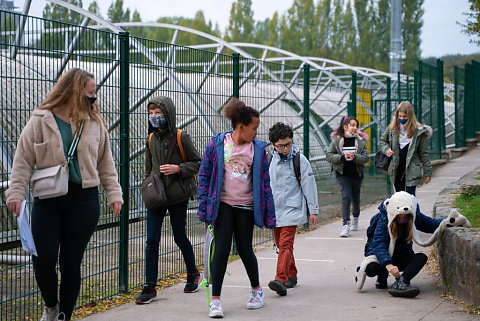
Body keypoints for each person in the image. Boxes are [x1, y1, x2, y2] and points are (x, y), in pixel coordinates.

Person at [5, 68, 123, 321]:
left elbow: (106, 163)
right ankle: (51, 306)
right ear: (73, 91)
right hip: (47, 200)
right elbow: (23, 159)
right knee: (43, 258)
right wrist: (16, 192)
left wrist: (114, 194)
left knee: (71, 263)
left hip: (84, 200)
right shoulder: (40, 120)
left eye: (94, 93)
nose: (93, 98)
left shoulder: (95, 123)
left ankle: (64, 316)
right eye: (89, 93)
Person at [197, 97, 275, 318]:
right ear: (241, 126)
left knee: (244, 249)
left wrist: (268, 213)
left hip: (246, 207)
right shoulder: (217, 145)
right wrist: (204, 208)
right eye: (254, 128)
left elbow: (264, 183)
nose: (256, 133)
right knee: (220, 249)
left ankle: (256, 290)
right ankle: (216, 301)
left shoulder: (258, 150)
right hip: (222, 206)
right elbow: (204, 176)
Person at [135, 96, 202, 304]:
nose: (154, 117)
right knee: (151, 240)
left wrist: (179, 169)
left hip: (177, 196)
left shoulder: (181, 137)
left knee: (179, 236)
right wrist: (147, 186)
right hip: (156, 197)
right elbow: (148, 168)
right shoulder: (150, 139)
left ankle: (192, 273)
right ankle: (150, 286)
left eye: (158, 113)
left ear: (168, 114)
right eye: (151, 113)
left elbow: (198, 162)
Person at [358, 191, 446, 298]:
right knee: (371, 268)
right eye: (399, 218)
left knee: (421, 258)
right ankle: (381, 275)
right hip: (383, 259)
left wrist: (449, 221)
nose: (402, 220)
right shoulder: (384, 220)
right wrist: (388, 265)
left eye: (405, 218)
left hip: (402, 256)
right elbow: (379, 244)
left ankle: (402, 281)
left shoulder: (413, 215)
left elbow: (431, 225)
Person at [266, 122, 319, 296]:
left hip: (292, 209)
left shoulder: (299, 159)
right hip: (275, 210)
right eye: (281, 145)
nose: (286, 148)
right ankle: (292, 274)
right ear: (273, 144)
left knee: (286, 244)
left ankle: (280, 279)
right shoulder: (268, 159)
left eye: (288, 144)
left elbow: (309, 185)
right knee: (281, 245)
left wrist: (313, 210)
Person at [326, 116, 369, 237]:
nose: (355, 128)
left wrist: (355, 157)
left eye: (356, 126)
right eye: (352, 125)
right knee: (346, 197)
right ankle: (346, 225)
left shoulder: (360, 141)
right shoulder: (336, 141)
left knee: (355, 198)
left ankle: (355, 217)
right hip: (342, 174)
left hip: (357, 174)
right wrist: (341, 158)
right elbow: (329, 156)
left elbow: (366, 158)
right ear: (345, 127)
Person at [379, 101, 432, 196]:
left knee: (410, 199)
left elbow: (423, 153)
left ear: (410, 116)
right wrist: (386, 150)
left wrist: (427, 173)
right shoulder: (392, 128)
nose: (402, 119)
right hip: (396, 169)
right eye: (400, 116)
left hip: (411, 170)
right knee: (399, 199)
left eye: (405, 117)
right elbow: (382, 141)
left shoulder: (419, 132)